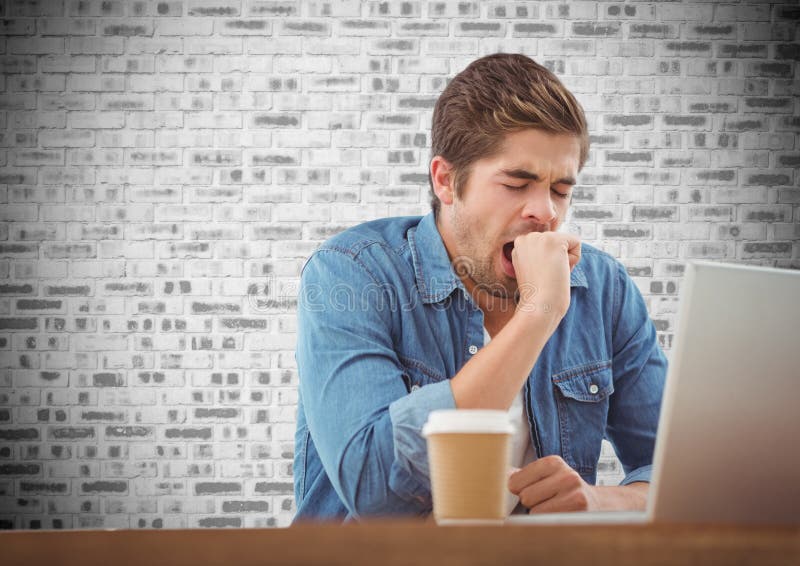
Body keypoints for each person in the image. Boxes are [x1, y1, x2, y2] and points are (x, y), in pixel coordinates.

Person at [293, 53, 667, 522]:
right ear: (446, 181)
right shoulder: (351, 274)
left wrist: (601, 501)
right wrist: (538, 315)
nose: (546, 212)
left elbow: (684, 474)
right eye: (517, 183)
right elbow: (374, 489)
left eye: (560, 190)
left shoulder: (604, 289)